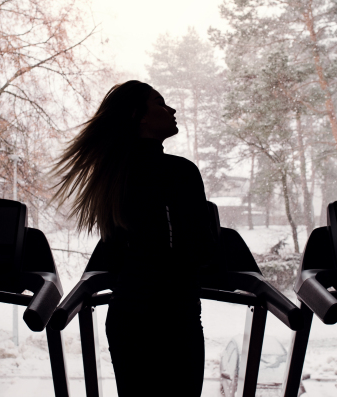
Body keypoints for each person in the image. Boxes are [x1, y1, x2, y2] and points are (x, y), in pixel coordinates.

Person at [52, 80, 215, 397]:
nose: (171, 109)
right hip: (175, 320)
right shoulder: (180, 171)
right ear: (138, 115)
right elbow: (199, 249)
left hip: (127, 320)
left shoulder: (112, 176)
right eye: (160, 103)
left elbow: (117, 253)